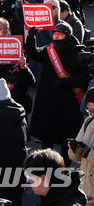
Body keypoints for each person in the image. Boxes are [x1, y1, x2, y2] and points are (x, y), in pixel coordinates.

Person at [26, 21, 88, 162]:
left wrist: (63, 83)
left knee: (66, 143)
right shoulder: (50, 50)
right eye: (54, 34)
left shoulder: (77, 53)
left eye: (59, 35)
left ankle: (64, 172)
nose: (56, 37)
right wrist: (31, 38)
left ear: (67, 36)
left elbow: (84, 78)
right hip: (48, 103)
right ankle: (47, 170)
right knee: (46, 142)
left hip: (69, 105)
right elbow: (34, 53)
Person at [68, 88, 94, 198]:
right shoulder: (87, 122)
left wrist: (87, 152)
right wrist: (74, 149)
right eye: (90, 111)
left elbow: (87, 154)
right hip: (83, 189)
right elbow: (78, 159)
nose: (92, 114)